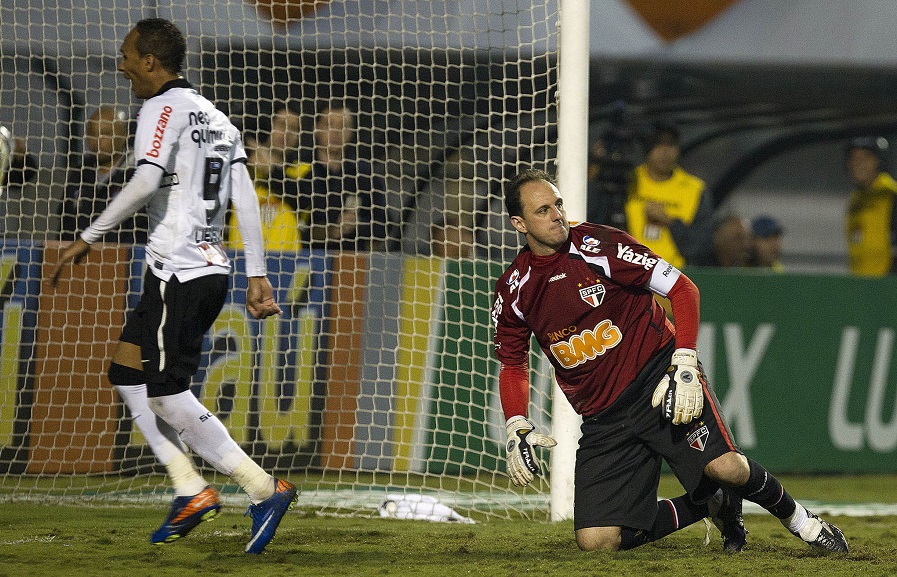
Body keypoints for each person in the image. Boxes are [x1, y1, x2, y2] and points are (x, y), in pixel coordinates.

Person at [492, 168, 849, 554]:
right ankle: (711, 502)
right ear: (519, 223)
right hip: (603, 418)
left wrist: (684, 359)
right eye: (543, 210)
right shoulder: (514, 289)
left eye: (558, 204)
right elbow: (512, 362)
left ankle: (804, 523)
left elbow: (683, 288)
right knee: (597, 542)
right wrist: (515, 420)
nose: (557, 215)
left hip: (659, 380)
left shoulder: (599, 245)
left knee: (725, 467)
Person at [50, 18, 296, 555]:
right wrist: (256, 274)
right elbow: (246, 197)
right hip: (204, 268)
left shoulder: (160, 109)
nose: (120, 65)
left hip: (179, 271)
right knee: (125, 367)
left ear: (150, 63)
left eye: (125, 56)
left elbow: (143, 181)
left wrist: (88, 236)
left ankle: (261, 487)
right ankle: (188, 486)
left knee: (165, 394)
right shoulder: (217, 118)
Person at [283, 101, 389, 251]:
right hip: (308, 257)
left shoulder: (364, 176)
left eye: (343, 126)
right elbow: (289, 221)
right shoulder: (297, 170)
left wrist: (356, 225)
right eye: (329, 124)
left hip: (351, 262)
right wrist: (328, 231)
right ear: (317, 128)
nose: (336, 132)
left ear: (351, 131)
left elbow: (384, 225)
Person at [624, 122, 713, 268]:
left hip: (674, 280)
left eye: (671, 144)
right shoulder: (628, 181)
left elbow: (700, 247)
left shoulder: (695, 189)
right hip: (629, 278)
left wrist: (669, 221)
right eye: (658, 144)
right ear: (647, 148)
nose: (665, 151)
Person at [59, 105, 149, 243]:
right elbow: (64, 226)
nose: (98, 140)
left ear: (123, 135)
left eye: (105, 133)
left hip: (123, 259)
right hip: (78, 260)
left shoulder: (138, 174)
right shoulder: (79, 175)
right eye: (92, 134)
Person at [226, 101, 305, 251]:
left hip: (286, 260)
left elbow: (301, 197)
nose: (287, 132)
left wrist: (270, 170)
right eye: (281, 125)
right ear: (269, 127)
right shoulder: (241, 169)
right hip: (240, 257)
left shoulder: (303, 171)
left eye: (294, 129)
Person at [844, 136, 897, 276]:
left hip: (886, 288)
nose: (859, 164)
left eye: (866, 158)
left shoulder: (891, 195)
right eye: (854, 159)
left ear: (877, 161)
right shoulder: (854, 202)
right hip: (861, 288)